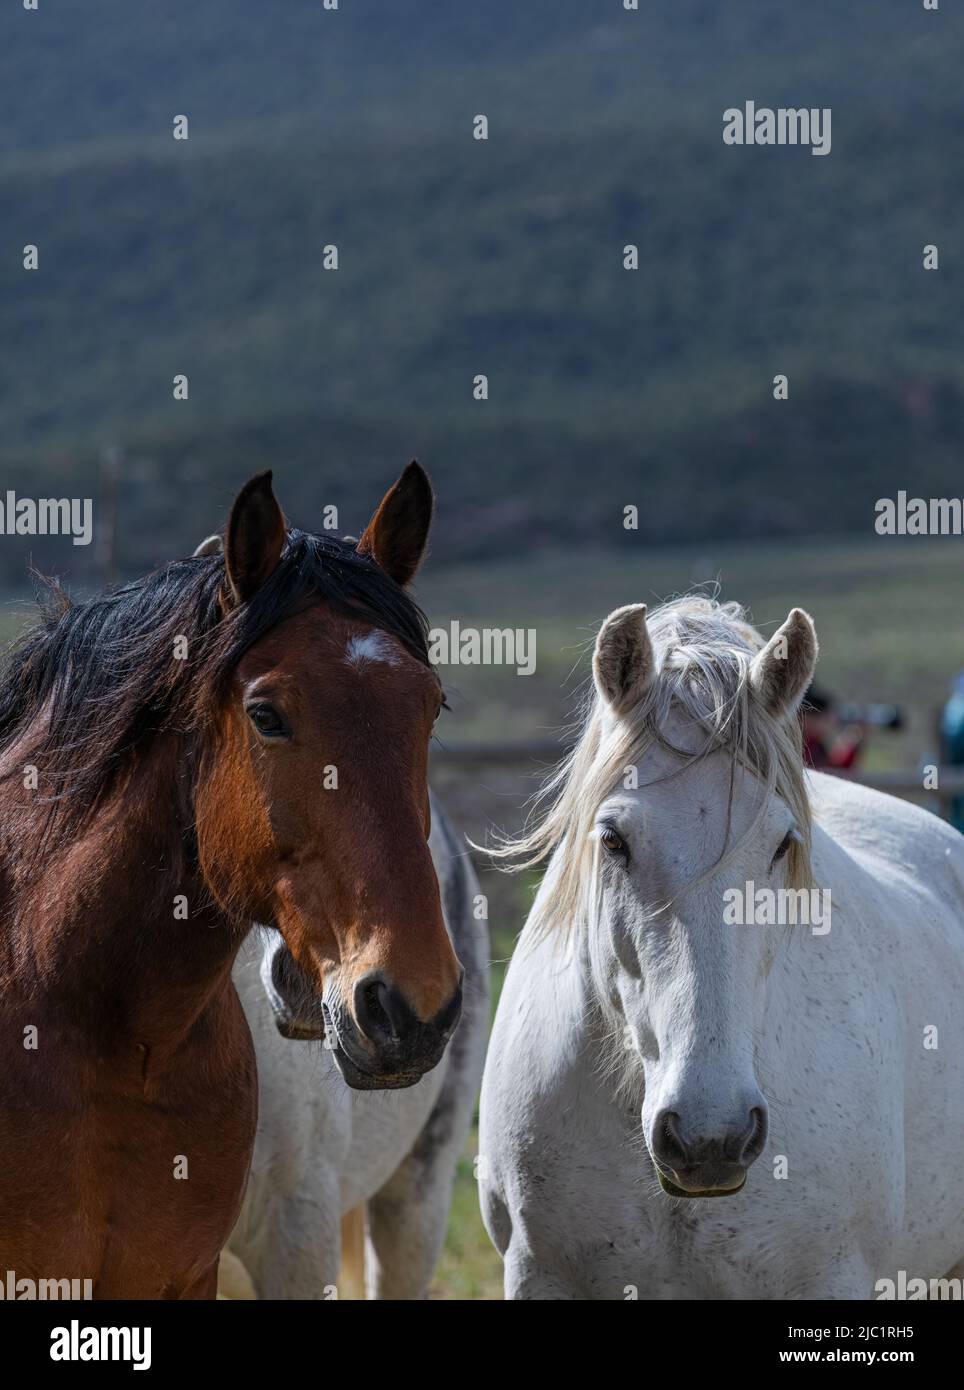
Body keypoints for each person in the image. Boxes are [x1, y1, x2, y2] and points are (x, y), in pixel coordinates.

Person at [800, 684, 863, 771]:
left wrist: (850, 746)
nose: (829, 722)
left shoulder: (815, 743)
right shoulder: (805, 743)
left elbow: (834, 771)